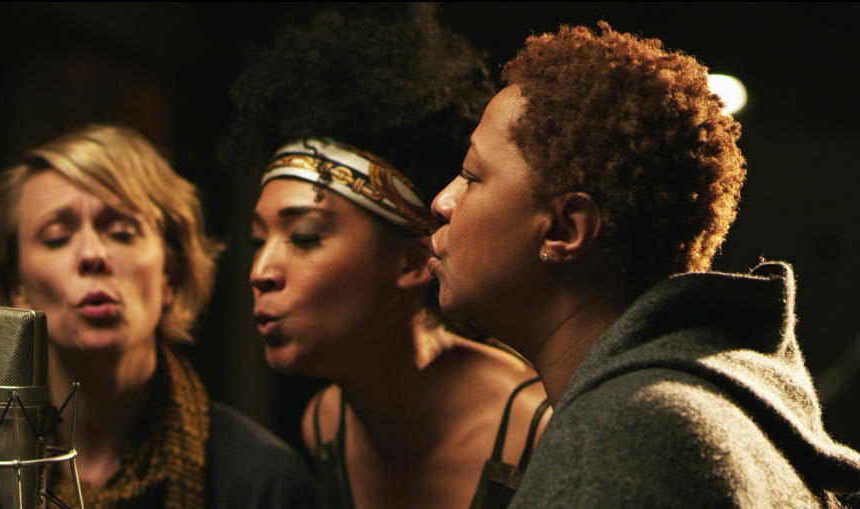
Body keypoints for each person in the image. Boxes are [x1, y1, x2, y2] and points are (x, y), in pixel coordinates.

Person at [428, 20, 860, 507]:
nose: (443, 202)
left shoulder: (620, 440)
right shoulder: (695, 412)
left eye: (471, 175)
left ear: (566, 230)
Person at [228, 6, 551, 509]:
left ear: (410, 262)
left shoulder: (537, 428)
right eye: (258, 240)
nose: (261, 272)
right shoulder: (325, 427)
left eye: (306, 236)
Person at [0, 124, 314, 508]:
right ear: (17, 287)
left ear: (171, 273)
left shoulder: (259, 480)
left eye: (121, 232)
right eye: (57, 237)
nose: (93, 255)